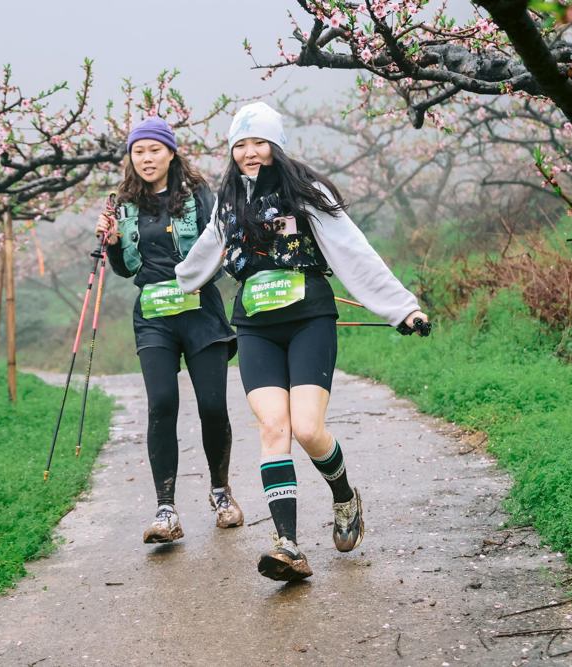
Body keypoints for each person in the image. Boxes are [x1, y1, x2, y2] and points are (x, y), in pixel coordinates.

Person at [175, 102, 429, 581]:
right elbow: (203, 254)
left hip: (309, 319)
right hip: (255, 326)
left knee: (309, 430)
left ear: (276, 144)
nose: (250, 152)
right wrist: (176, 280)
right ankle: (287, 544)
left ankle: (344, 496)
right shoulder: (228, 201)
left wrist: (402, 308)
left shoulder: (305, 192)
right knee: (274, 427)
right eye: (241, 145)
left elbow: (354, 251)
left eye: (259, 142)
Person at [96, 116, 243, 544]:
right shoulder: (124, 204)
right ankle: (165, 510)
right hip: (154, 314)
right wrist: (111, 244)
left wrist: (198, 278)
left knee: (212, 406)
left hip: (200, 311)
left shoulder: (198, 194)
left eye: (154, 150)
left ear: (171, 153)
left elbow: (218, 247)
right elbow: (126, 269)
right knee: (161, 403)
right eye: (138, 151)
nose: (146, 158)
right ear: (131, 157)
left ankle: (221, 492)